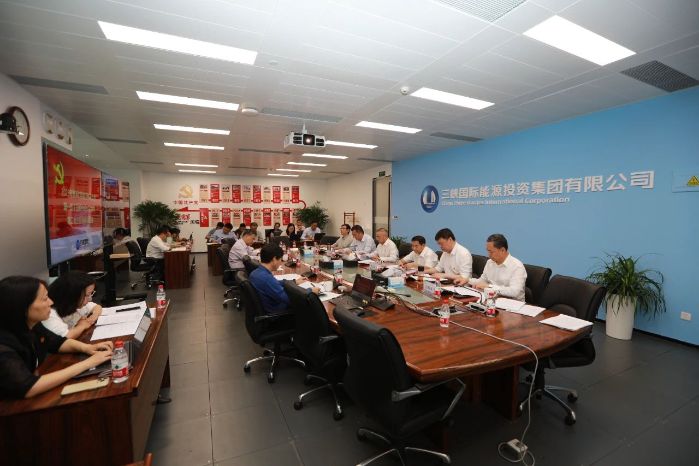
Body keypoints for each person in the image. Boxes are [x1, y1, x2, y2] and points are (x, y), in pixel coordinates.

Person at [0, 276, 113, 399]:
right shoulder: (4, 345)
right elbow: (28, 387)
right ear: (23, 306)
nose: (51, 302)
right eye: (44, 299)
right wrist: (87, 364)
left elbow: (57, 342)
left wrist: (88, 348)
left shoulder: (33, 325)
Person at [248, 244, 318, 314]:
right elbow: (289, 299)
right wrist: (310, 291)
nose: (281, 262)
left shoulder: (256, 272)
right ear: (274, 259)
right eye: (280, 259)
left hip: (269, 307)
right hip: (279, 313)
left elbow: (275, 283)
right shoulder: (267, 279)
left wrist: (294, 282)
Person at [468, 234, 527, 301]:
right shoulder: (490, 262)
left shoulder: (517, 266)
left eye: (491, 252)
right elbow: (482, 281)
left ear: (502, 250)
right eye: (488, 251)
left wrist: (489, 287)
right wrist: (467, 280)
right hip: (492, 300)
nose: (489, 255)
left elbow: (514, 292)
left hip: (513, 304)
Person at [44, 271, 103, 339]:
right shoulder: (49, 314)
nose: (90, 299)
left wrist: (94, 316)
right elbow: (64, 338)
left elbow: (96, 307)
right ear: (72, 295)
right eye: (87, 295)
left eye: (91, 294)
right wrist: (82, 326)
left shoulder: (75, 305)